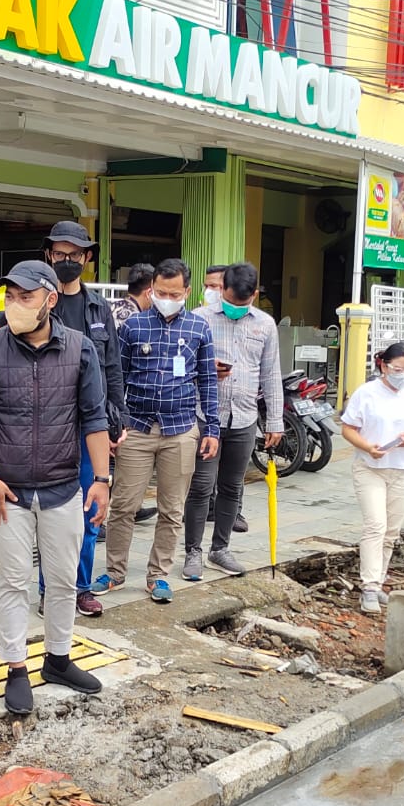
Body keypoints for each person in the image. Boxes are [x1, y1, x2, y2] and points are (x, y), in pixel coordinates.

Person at [0, 261, 112, 715]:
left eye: (24, 297)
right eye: (9, 296)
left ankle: (58, 659)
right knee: (12, 583)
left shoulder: (80, 350)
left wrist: (102, 480)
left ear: (50, 300)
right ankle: (15, 668)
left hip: (63, 486)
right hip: (7, 492)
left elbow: (93, 417)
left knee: (65, 581)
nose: (14, 305)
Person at [97, 258, 219, 604]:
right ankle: (115, 572)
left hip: (180, 430)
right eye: (160, 292)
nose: (166, 297)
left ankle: (158, 576)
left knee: (172, 509)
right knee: (123, 505)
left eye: (174, 293)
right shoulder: (133, 327)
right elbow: (115, 377)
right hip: (136, 428)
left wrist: (212, 428)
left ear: (187, 292)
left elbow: (208, 382)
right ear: (151, 289)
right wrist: (113, 423)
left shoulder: (199, 329)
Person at [43, 220, 124, 617]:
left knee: (91, 508)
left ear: (86, 258)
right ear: (48, 255)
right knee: (52, 511)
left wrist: (118, 416)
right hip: (49, 425)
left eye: (74, 255)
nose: (67, 261)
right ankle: (50, 590)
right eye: (60, 254)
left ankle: (80, 587)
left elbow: (113, 366)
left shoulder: (99, 308)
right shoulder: (38, 302)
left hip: (90, 425)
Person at [183, 262, 282, 580]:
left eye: (244, 303)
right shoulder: (198, 320)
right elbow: (178, 366)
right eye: (230, 299)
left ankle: (220, 549)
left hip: (244, 419)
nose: (236, 308)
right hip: (204, 417)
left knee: (232, 487)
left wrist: (275, 421)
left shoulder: (266, 325)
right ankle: (193, 551)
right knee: (201, 487)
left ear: (254, 294)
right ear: (220, 288)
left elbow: (270, 373)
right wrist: (205, 367)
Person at [339, 343, 404, 614]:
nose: (402, 375)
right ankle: (368, 587)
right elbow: (348, 428)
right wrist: (368, 447)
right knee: (375, 526)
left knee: (391, 532)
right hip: (370, 467)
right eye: (397, 369)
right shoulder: (367, 393)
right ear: (383, 365)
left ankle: (379, 581)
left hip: (402, 469)